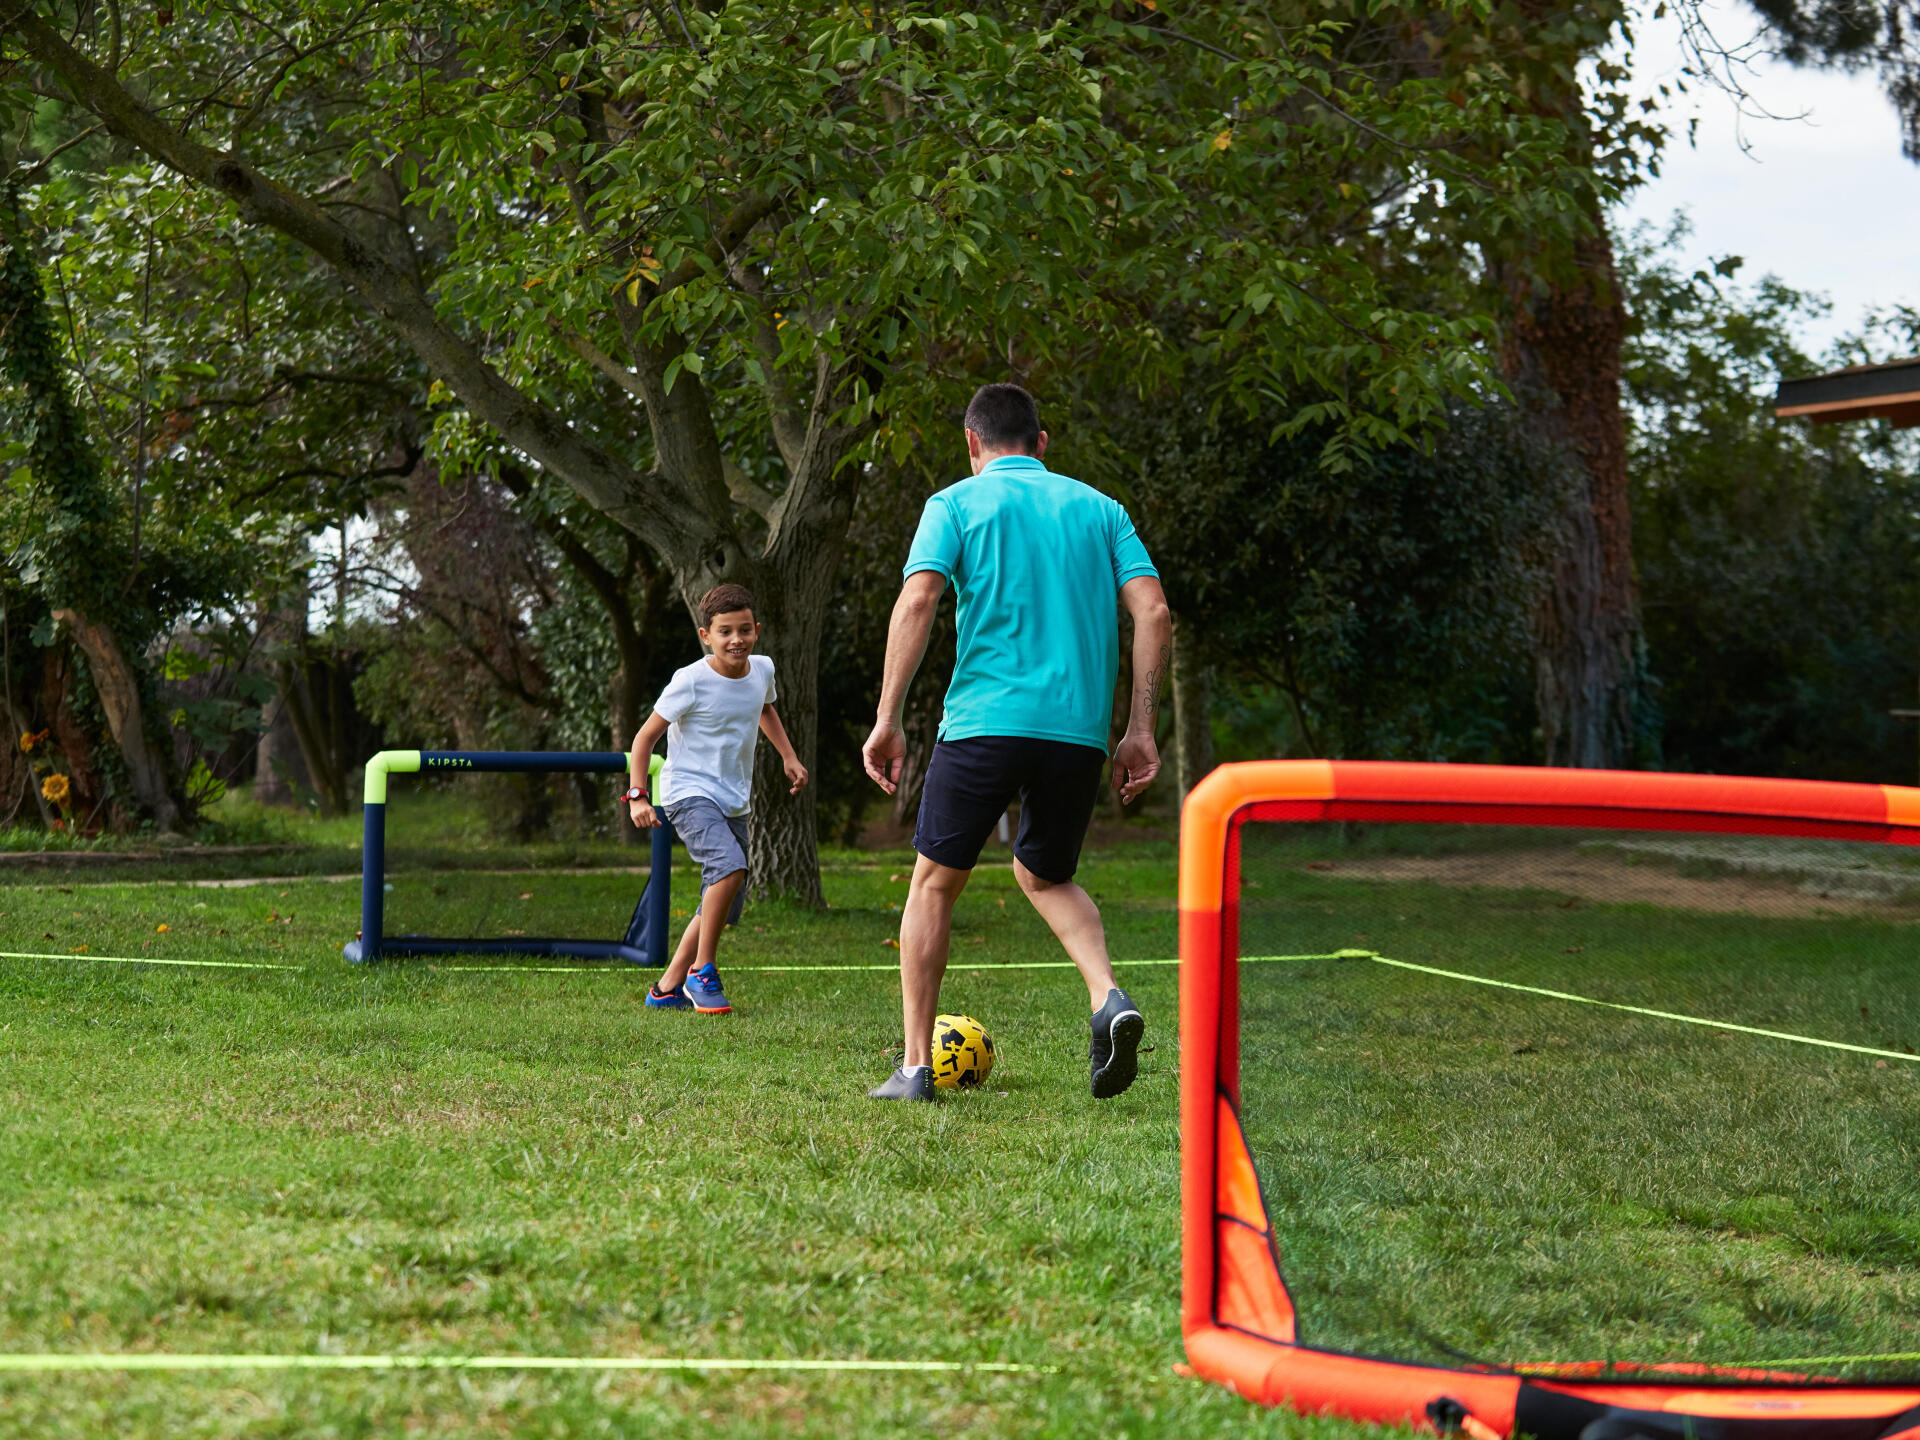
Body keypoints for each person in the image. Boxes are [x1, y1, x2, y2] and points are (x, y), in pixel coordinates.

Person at [862, 382, 1172, 1102]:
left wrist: (887, 716)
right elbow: (1153, 610)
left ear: (972, 443)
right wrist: (1139, 729)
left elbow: (918, 598)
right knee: (1045, 875)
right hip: (1078, 733)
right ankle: (1108, 997)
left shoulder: (954, 504)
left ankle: (913, 1068)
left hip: (985, 723)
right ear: (1041, 442)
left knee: (935, 883)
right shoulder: (1102, 510)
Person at [625, 583, 808, 1014]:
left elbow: (765, 708)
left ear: (757, 630)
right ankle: (701, 972)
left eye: (744, 630)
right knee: (729, 867)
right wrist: (638, 795)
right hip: (688, 791)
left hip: (734, 799)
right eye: (725, 631)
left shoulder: (762, 670)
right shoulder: (689, 681)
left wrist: (788, 756)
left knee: (721, 901)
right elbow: (644, 738)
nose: (736, 640)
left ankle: (666, 989)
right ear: (706, 635)